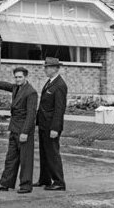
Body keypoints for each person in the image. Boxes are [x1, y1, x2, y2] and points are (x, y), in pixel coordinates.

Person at [0, 67, 38, 194]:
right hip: (14, 128)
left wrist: (25, 132)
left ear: (26, 77)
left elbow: (31, 115)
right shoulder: (16, 88)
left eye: (20, 77)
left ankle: (26, 185)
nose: (18, 79)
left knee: (25, 159)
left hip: (24, 130)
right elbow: (5, 85)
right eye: (16, 77)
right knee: (10, 158)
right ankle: (4, 183)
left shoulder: (31, 92)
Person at [33, 57, 68, 191]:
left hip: (51, 126)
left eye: (47, 67)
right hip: (44, 124)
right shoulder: (50, 82)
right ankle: (45, 179)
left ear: (55, 68)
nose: (45, 69)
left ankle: (59, 181)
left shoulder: (59, 85)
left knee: (52, 153)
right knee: (44, 152)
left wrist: (55, 128)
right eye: (45, 66)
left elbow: (59, 109)